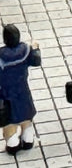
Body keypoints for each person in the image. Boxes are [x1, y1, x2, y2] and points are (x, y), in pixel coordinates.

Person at [0, 24, 41, 155]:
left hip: (6, 93)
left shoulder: (1, 55)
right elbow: (36, 61)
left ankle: (12, 143)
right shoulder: (25, 49)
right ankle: (27, 139)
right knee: (26, 116)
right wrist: (35, 49)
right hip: (23, 90)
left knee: (9, 120)